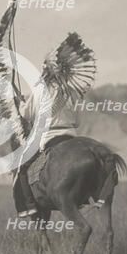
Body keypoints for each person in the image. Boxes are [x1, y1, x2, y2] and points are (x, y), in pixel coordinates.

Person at [13, 85, 80, 217]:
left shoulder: (40, 90)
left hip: (50, 136)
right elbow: (77, 122)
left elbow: (26, 115)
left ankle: (29, 205)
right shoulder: (72, 91)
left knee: (23, 166)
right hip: (72, 135)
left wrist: (21, 103)